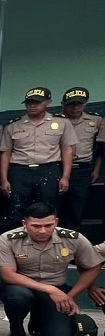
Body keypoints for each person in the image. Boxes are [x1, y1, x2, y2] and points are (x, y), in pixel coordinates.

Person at [0, 202, 102, 336]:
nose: (43, 231)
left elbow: (94, 265)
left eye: (49, 225)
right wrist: (51, 290)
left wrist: (70, 296)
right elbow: (8, 275)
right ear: (24, 224)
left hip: (57, 291)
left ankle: (38, 320)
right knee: (18, 296)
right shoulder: (8, 239)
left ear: (56, 222)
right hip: (22, 287)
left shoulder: (73, 239)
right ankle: (16, 330)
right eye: (36, 226)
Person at [0, 88, 77, 228]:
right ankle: (18, 244)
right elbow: (6, 153)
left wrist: (65, 176)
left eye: (37, 102)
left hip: (49, 170)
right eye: (29, 103)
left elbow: (67, 150)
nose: (32, 106)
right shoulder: (13, 125)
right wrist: (4, 179)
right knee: (17, 210)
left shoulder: (61, 123)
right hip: (20, 171)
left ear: (48, 102)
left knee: (48, 208)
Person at [58, 87, 103, 230]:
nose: (75, 107)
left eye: (79, 104)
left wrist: (96, 170)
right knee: (55, 205)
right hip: (57, 167)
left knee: (77, 206)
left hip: (82, 169)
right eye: (71, 104)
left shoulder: (96, 120)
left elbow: (99, 149)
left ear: (85, 104)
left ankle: (72, 241)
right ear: (63, 104)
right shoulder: (55, 121)